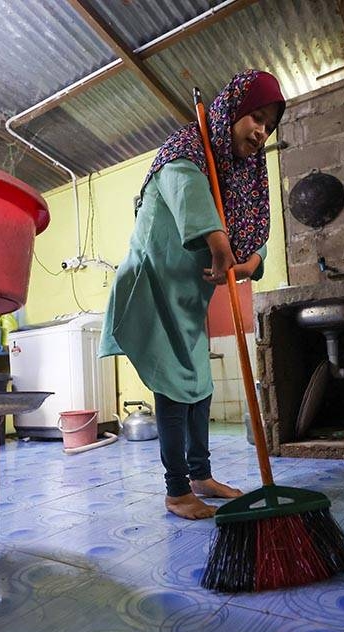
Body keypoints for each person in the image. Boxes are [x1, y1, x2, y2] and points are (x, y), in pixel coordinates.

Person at [98, 70, 285, 520]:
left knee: (199, 387)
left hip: (187, 299)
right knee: (175, 387)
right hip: (152, 286)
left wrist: (249, 262)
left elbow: (254, 230)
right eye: (255, 117)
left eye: (269, 125)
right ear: (232, 112)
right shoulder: (186, 151)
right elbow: (188, 192)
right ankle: (177, 491)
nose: (260, 131)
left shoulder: (241, 175)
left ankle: (201, 475)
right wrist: (220, 245)